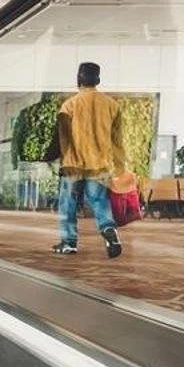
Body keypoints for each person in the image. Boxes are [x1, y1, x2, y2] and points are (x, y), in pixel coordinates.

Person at [52, 62, 125, 259]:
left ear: (79, 79)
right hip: (99, 165)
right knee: (100, 202)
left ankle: (68, 243)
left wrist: (56, 159)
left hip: (73, 165)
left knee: (68, 203)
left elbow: (63, 138)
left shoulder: (69, 105)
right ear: (98, 80)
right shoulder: (112, 106)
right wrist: (120, 165)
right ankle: (108, 230)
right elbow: (117, 141)